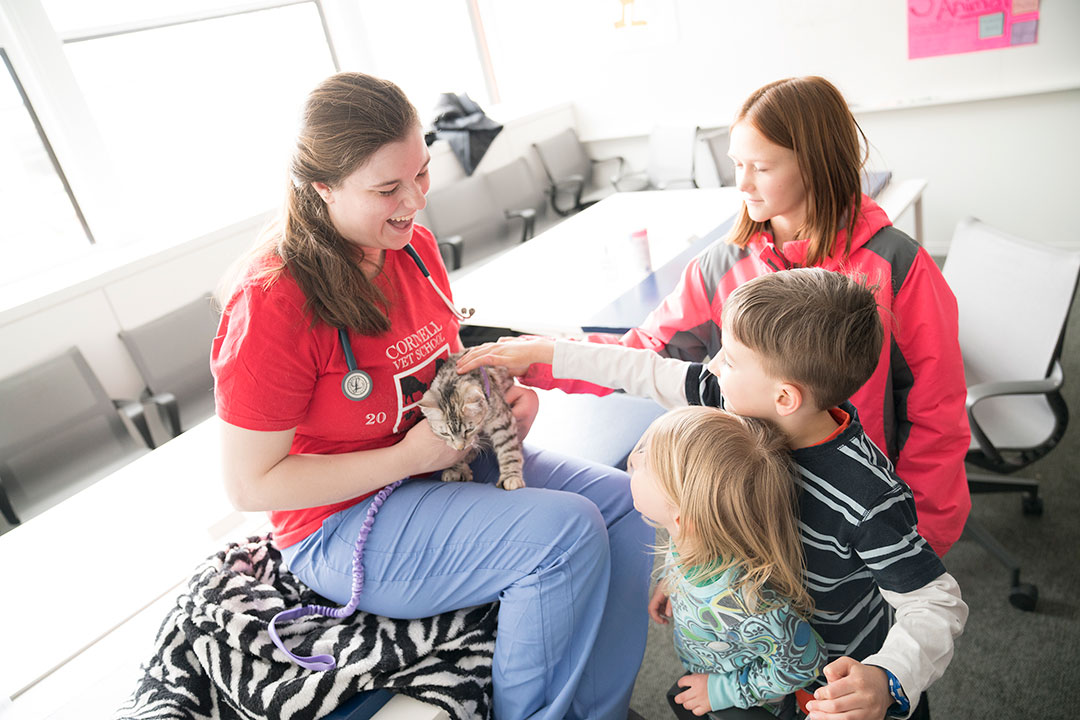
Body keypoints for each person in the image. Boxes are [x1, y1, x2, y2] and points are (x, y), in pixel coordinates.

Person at [210, 71, 652, 720]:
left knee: (629, 505)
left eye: (421, 174)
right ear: (321, 188)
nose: (416, 200)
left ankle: (596, 709)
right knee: (565, 533)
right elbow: (250, 487)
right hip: (339, 521)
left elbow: (439, 370)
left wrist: (502, 406)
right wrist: (403, 461)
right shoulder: (272, 301)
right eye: (387, 188)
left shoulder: (410, 247)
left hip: (440, 466)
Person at [457, 269, 968, 720]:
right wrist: (546, 353)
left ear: (785, 396)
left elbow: (936, 604)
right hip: (758, 665)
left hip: (839, 687)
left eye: (731, 357)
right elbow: (648, 371)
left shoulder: (866, 495)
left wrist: (887, 678)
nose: (714, 365)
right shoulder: (747, 403)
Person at [512, 76, 971, 560]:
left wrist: (922, 538)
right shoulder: (722, 264)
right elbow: (645, 354)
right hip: (757, 517)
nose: (742, 183)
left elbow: (935, 411)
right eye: (737, 164)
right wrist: (541, 358)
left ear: (815, 163)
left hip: (857, 516)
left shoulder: (897, 266)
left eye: (761, 167)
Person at [628, 406, 826, 717]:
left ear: (683, 516)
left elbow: (805, 663)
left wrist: (721, 691)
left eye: (647, 465)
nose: (634, 460)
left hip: (746, 703)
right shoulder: (689, 537)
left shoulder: (746, 602)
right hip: (707, 665)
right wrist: (671, 584)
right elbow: (682, 556)